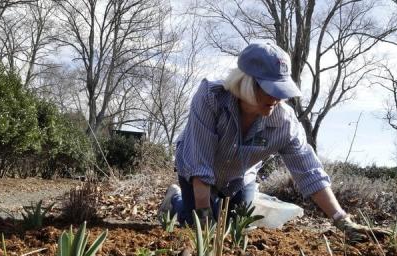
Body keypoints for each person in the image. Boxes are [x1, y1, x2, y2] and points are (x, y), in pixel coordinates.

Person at [159, 41, 384, 238]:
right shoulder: (211, 98)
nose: (277, 98)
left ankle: (214, 208)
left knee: (236, 226)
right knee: (193, 224)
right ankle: (175, 202)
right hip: (195, 170)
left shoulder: (284, 123)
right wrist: (204, 219)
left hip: (239, 177)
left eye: (281, 90)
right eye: (270, 89)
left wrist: (341, 220)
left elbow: (309, 171)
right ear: (246, 83)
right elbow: (200, 163)